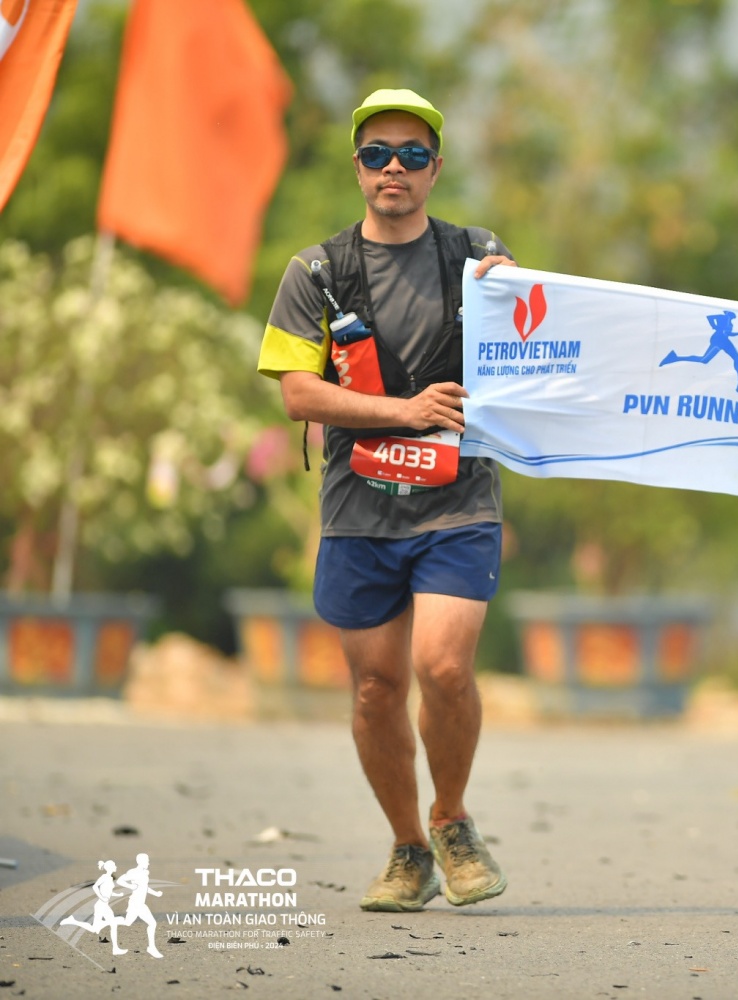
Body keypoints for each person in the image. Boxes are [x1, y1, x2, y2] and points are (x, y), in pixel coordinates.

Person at [258, 89, 517, 912]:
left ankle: (452, 820)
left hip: (457, 501)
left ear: (436, 169)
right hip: (360, 509)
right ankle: (409, 850)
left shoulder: (480, 255)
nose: (393, 168)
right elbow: (298, 395)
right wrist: (403, 412)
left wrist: (519, 299)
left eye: (411, 154)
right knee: (375, 688)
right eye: (377, 154)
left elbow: (541, 341)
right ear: (358, 168)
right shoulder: (315, 272)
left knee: (443, 666)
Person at [60, 859, 124, 954]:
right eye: (114, 865)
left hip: (105, 905)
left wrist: (118, 895)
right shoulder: (104, 877)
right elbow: (95, 887)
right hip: (100, 905)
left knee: (113, 924)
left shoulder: (110, 879)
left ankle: (115, 948)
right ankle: (72, 921)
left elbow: (108, 892)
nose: (116, 867)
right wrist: (101, 897)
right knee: (95, 929)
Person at [113, 853, 163, 958]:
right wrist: (130, 886)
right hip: (135, 903)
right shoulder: (133, 872)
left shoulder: (145, 873)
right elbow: (120, 880)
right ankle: (112, 921)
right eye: (147, 861)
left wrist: (156, 893)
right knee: (127, 923)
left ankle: (151, 948)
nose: (148, 863)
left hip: (141, 904)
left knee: (152, 923)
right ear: (141, 861)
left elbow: (144, 887)